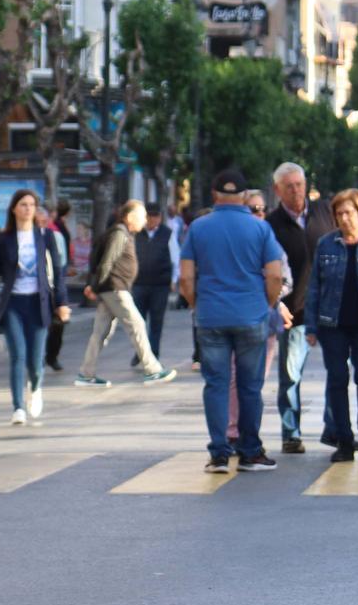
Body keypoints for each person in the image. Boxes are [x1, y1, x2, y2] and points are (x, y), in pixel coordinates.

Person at [180, 169, 284, 474]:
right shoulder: (260, 229)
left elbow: (186, 277)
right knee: (250, 386)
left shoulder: (198, 228)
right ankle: (251, 451)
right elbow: (276, 275)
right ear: (243, 197)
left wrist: (197, 304)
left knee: (216, 384)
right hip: (251, 314)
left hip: (211, 315)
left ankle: (219, 453)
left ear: (214, 195)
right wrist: (265, 303)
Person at [303, 189, 358, 463]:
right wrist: (311, 325)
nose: (344, 218)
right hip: (334, 323)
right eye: (339, 213)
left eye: (349, 213)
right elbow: (315, 285)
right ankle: (344, 439)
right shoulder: (326, 244)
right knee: (337, 378)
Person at [0, 190, 70, 426]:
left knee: (35, 362)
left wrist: (62, 303)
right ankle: (18, 408)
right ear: (14, 209)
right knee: (18, 355)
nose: (28, 209)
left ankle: (35, 387)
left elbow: (59, 274)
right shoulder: (4, 239)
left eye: (32, 205)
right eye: (23, 204)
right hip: (13, 303)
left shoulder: (46, 236)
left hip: (38, 304)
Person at [265, 161, 336, 455]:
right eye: (289, 186)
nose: (296, 191)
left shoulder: (325, 212)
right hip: (294, 312)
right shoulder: (270, 224)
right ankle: (290, 433)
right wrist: (276, 303)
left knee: (338, 373)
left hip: (330, 310)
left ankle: (335, 429)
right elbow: (266, 269)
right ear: (278, 190)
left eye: (300, 184)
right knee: (291, 375)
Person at [74, 200, 176, 386]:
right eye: (142, 216)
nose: (145, 220)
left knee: (100, 332)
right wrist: (94, 287)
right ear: (129, 217)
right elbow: (107, 262)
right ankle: (152, 369)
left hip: (113, 289)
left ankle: (86, 374)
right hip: (115, 289)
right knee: (137, 324)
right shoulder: (119, 234)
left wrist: (95, 286)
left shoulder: (124, 233)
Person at [130, 210, 176, 359]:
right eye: (148, 217)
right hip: (139, 283)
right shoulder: (136, 233)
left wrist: (174, 280)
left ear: (159, 218)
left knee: (157, 320)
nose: (151, 220)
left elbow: (175, 256)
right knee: (138, 321)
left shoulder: (167, 233)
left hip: (160, 284)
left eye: (154, 217)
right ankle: (140, 352)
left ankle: (154, 352)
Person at [43, 199, 76, 372]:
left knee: (57, 324)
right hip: (40, 286)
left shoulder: (55, 234)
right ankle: (43, 356)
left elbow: (60, 264)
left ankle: (51, 356)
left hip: (54, 283)